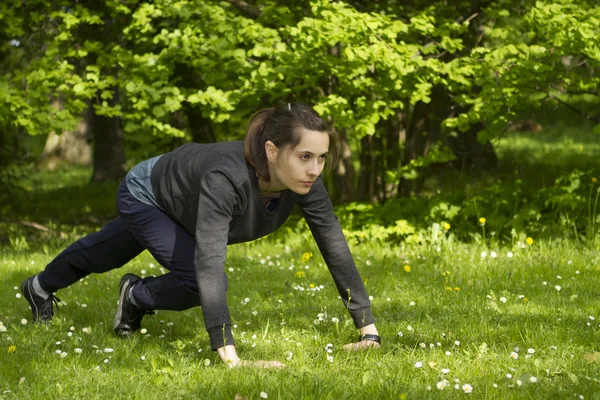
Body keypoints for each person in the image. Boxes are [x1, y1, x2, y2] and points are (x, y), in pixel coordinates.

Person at [20, 103, 381, 368]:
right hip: (148, 193)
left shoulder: (306, 183)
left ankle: (73, 290)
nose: (315, 169)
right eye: (305, 156)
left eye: (321, 158)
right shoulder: (228, 179)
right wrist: (231, 358)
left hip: (187, 201)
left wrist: (369, 332)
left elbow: (333, 245)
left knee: (110, 250)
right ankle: (100, 293)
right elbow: (208, 262)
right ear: (271, 151)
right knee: (186, 277)